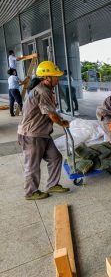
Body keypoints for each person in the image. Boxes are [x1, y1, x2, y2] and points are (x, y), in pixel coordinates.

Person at [17, 61, 71, 200]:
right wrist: (62, 123)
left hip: (42, 133)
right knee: (33, 165)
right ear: (47, 77)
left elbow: (51, 111)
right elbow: (51, 115)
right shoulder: (42, 91)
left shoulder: (44, 89)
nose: (58, 79)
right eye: (56, 77)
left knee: (55, 157)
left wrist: (58, 119)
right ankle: (30, 192)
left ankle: (52, 184)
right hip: (32, 134)